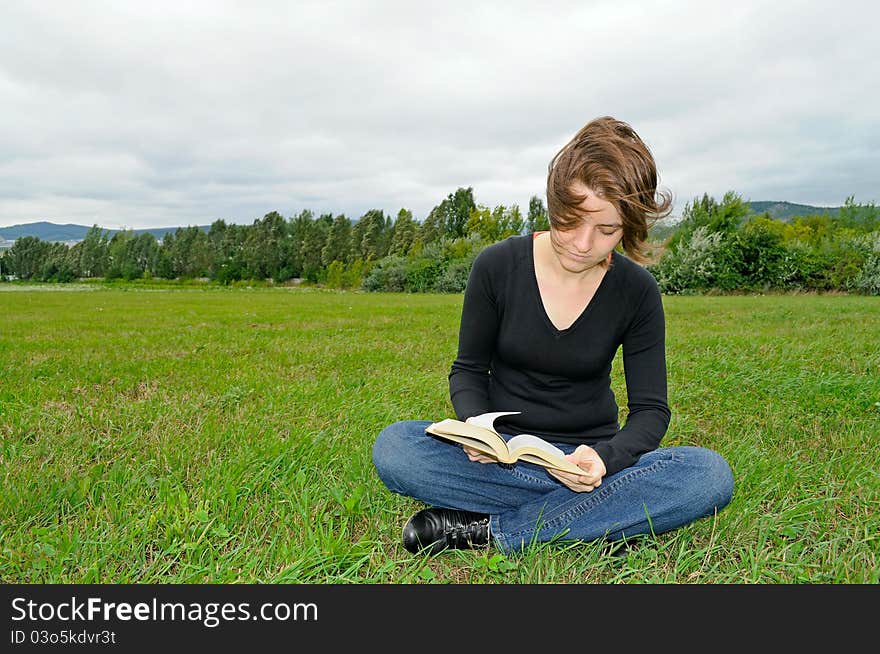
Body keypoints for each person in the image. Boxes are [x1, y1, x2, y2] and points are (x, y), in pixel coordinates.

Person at [372, 116, 734, 555]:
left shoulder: (637, 292)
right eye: (572, 221)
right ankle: (603, 519)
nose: (583, 244)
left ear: (629, 227)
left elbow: (651, 412)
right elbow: (468, 370)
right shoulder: (497, 266)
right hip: (506, 457)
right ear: (554, 202)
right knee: (395, 448)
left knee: (708, 474)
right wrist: (475, 429)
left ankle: (491, 531)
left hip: (590, 462)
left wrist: (604, 460)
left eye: (607, 230)